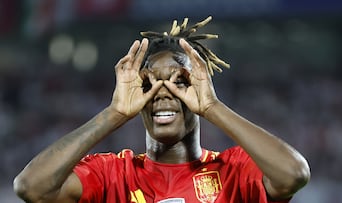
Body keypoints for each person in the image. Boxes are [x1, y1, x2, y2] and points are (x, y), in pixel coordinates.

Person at [13, 16, 310, 203]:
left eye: (179, 82)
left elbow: (293, 175)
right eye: (148, 85)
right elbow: (31, 188)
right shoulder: (113, 174)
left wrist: (212, 106)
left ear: (198, 86)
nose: (162, 93)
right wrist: (113, 114)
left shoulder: (234, 170)